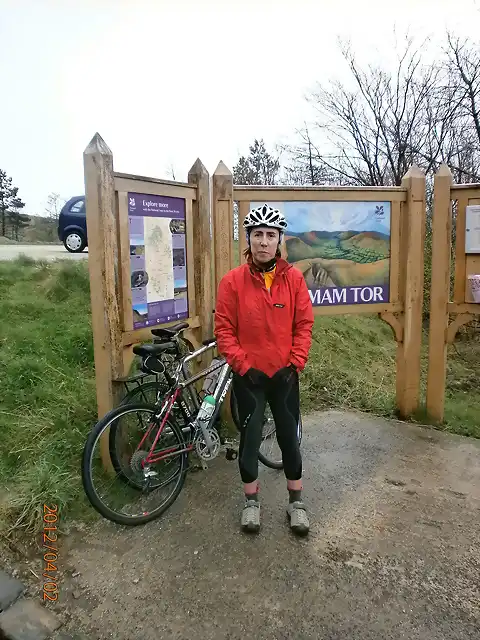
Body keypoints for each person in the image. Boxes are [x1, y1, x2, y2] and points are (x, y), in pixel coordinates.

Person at [214, 203, 314, 536]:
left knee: (289, 440)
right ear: (248, 240)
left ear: (279, 241)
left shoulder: (294, 279)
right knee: (250, 440)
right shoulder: (232, 282)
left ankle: (296, 503)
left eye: (270, 235)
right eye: (257, 234)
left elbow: (304, 325)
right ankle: (251, 504)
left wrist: (295, 362)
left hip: (284, 377)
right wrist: (242, 365)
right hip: (249, 379)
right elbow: (224, 329)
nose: (263, 241)